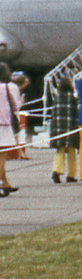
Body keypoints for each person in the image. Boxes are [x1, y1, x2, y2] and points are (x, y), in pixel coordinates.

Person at [49, 74, 80, 184]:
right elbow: (76, 114)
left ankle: (57, 171)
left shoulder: (56, 99)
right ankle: (71, 174)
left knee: (60, 150)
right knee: (72, 151)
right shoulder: (73, 99)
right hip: (71, 128)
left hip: (59, 129)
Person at [0, 63, 20, 195]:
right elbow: (15, 104)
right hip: (3, 124)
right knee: (2, 156)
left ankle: (5, 183)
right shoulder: (6, 87)